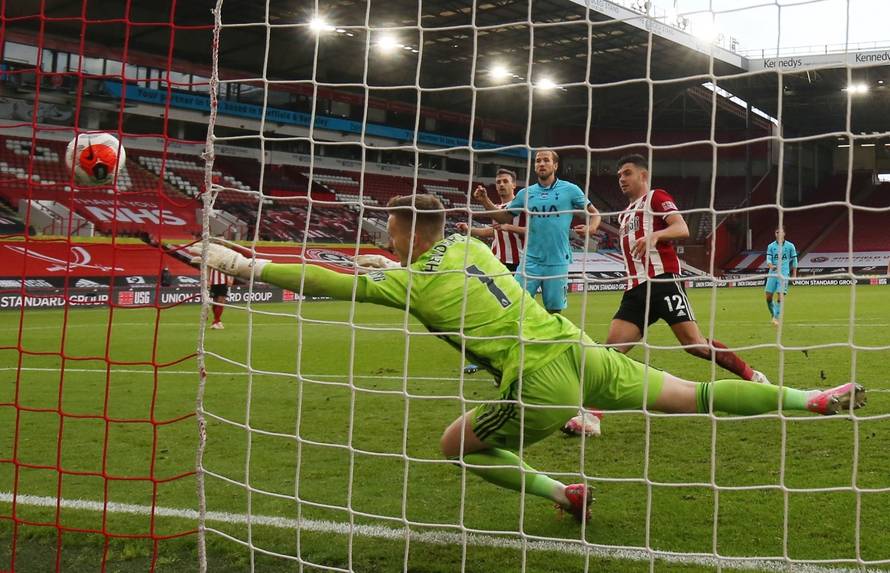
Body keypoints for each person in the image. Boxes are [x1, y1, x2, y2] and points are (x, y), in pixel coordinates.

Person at [188, 194, 866, 523]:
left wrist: (237, 260)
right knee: (694, 394)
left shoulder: (409, 279)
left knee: (456, 444)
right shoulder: (471, 248)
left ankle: (562, 491)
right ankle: (809, 398)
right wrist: (382, 258)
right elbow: (400, 257)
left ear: (400, 232)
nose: (383, 238)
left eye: (386, 231)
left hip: (537, 381)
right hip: (579, 349)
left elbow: (323, 280)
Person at [606, 154, 769, 384]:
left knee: (695, 345)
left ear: (643, 175)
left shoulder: (656, 197)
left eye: (627, 173)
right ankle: (592, 416)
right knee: (610, 352)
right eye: (619, 175)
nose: (621, 179)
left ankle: (753, 376)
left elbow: (682, 228)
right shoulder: (624, 215)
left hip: (663, 283)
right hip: (635, 291)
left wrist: (656, 235)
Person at [476, 149, 601, 314]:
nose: (541, 163)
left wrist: (591, 228)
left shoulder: (570, 190)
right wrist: (485, 201)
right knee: (516, 304)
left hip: (557, 260)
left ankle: (552, 339)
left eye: (546, 160)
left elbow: (595, 213)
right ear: (534, 166)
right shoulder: (526, 194)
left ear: (555, 165)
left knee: (554, 310)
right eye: (538, 161)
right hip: (530, 260)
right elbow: (504, 217)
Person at [456, 168, 526, 375]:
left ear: (514, 185)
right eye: (498, 182)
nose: (501, 185)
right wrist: (470, 230)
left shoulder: (521, 206)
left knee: (513, 311)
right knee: (490, 308)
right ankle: (488, 356)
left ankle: (514, 352)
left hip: (519, 264)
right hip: (497, 263)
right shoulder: (498, 208)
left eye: (505, 181)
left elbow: (527, 229)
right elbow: (492, 231)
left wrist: (509, 226)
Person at [764, 227, 798, 326]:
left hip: (784, 274)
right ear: (775, 234)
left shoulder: (790, 246)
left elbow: (794, 261)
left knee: (780, 295)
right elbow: (768, 259)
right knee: (768, 297)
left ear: (784, 234)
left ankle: (775, 318)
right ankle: (773, 313)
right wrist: (770, 265)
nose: (779, 234)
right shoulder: (771, 246)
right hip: (772, 274)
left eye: (781, 232)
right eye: (777, 232)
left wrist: (794, 275)